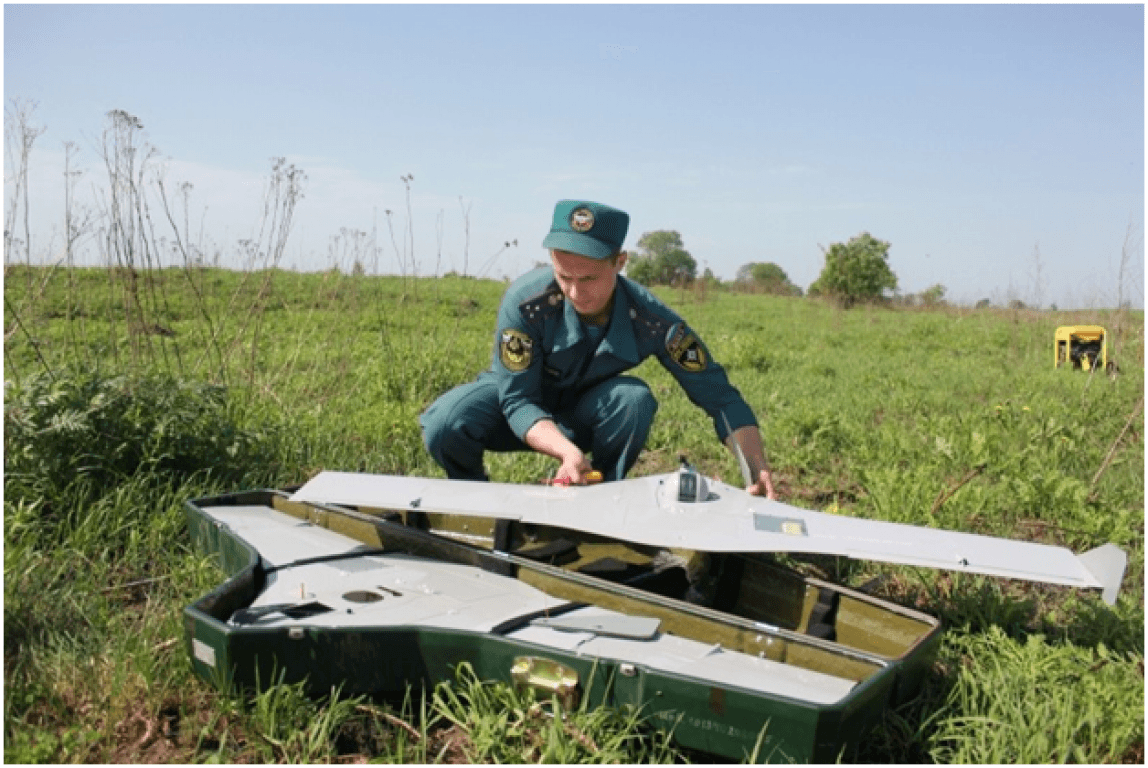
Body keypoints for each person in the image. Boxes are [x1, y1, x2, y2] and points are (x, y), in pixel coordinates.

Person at [420, 199, 777, 498]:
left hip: (584, 414)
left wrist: (756, 464)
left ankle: (599, 494)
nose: (575, 293)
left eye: (589, 278)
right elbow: (516, 400)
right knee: (445, 421)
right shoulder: (526, 302)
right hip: (517, 407)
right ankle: (471, 497)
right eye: (564, 277)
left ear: (620, 263)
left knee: (632, 400)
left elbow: (720, 396)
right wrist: (565, 451)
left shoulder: (654, 320)